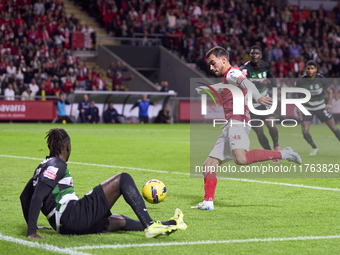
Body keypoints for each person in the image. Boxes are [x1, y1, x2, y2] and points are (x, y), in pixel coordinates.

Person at [20, 128, 186, 239]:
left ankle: (166, 224)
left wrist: (37, 224)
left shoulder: (42, 167)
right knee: (123, 178)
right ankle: (150, 225)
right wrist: (32, 231)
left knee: (119, 221)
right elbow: (36, 198)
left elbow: (25, 197)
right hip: (72, 216)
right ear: (68, 147)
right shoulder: (57, 165)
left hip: (66, 224)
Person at [192, 46, 301, 210]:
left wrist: (258, 96)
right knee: (208, 166)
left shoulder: (232, 72)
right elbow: (227, 87)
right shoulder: (227, 77)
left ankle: (283, 153)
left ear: (223, 60)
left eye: (213, 63)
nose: (211, 67)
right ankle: (208, 202)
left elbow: (246, 82)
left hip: (238, 121)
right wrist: (208, 89)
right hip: (230, 124)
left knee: (241, 159)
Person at [241, 46, 281, 163]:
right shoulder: (246, 68)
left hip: (264, 101)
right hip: (251, 104)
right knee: (259, 132)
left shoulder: (265, 66)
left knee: (272, 125)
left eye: (257, 53)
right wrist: (259, 81)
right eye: (252, 53)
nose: (254, 55)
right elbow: (244, 82)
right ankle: (271, 154)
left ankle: (276, 145)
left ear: (261, 56)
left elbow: (270, 77)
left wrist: (276, 88)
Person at [295, 60, 340, 155]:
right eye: (308, 68)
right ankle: (314, 148)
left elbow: (330, 92)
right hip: (308, 108)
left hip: (321, 106)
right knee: (304, 130)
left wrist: (329, 103)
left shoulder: (321, 78)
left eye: (312, 68)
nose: (310, 70)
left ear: (315, 69)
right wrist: (299, 107)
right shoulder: (300, 81)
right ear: (305, 69)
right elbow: (298, 95)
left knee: (333, 127)